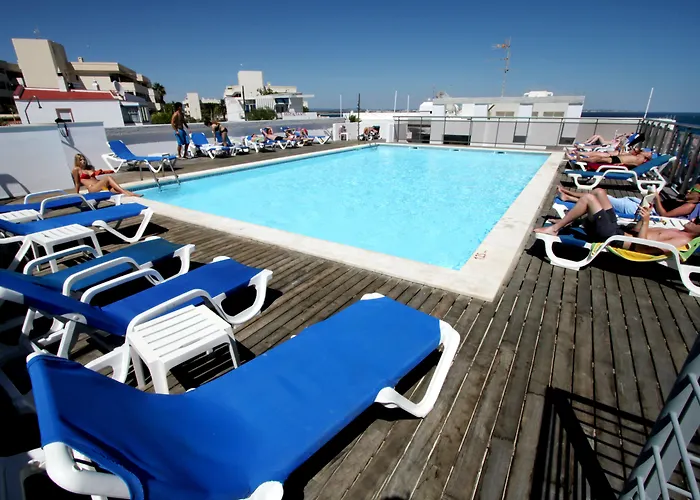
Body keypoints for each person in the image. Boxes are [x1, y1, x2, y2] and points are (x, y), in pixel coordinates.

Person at [535, 188, 700, 252]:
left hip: (614, 238)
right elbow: (637, 232)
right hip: (619, 231)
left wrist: (646, 221)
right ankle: (577, 221)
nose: (693, 219)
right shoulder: (677, 231)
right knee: (599, 192)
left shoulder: (682, 241)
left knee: (588, 199)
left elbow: (641, 247)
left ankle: (555, 229)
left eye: (697, 222)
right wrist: (643, 217)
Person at [557, 185, 700, 219]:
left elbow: (664, 215)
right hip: (640, 204)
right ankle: (568, 197)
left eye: (693, 190)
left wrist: (657, 199)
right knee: (602, 197)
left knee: (601, 195)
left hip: (640, 210)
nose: (689, 190)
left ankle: (568, 194)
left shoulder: (689, 206)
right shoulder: (684, 200)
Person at [71, 153, 141, 197]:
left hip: (99, 185)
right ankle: (126, 193)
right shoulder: (76, 169)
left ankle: (130, 193)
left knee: (115, 189)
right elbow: (77, 183)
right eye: (80, 160)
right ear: (77, 161)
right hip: (92, 188)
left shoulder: (90, 167)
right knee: (108, 177)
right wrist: (77, 194)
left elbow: (94, 178)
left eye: (84, 159)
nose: (83, 161)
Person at [569, 147, 652, 167]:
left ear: (647, 157)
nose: (646, 152)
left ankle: (581, 159)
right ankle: (581, 158)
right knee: (599, 158)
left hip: (619, 160)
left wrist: (623, 164)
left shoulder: (641, 158)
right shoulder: (639, 154)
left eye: (648, 153)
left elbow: (635, 164)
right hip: (618, 158)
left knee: (599, 159)